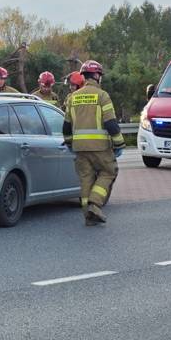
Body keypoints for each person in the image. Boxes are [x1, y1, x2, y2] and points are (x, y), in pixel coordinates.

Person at [63, 60, 125, 226]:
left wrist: (69, 144)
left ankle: (88, 216)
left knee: (86, 179)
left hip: (79, 148)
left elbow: (66, 126)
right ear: (97, 76)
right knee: (109, 172)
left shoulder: (72, 97)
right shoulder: (102, 95)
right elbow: (111, 123)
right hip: (100, 147)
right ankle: (95, 204)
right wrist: (119, 144)